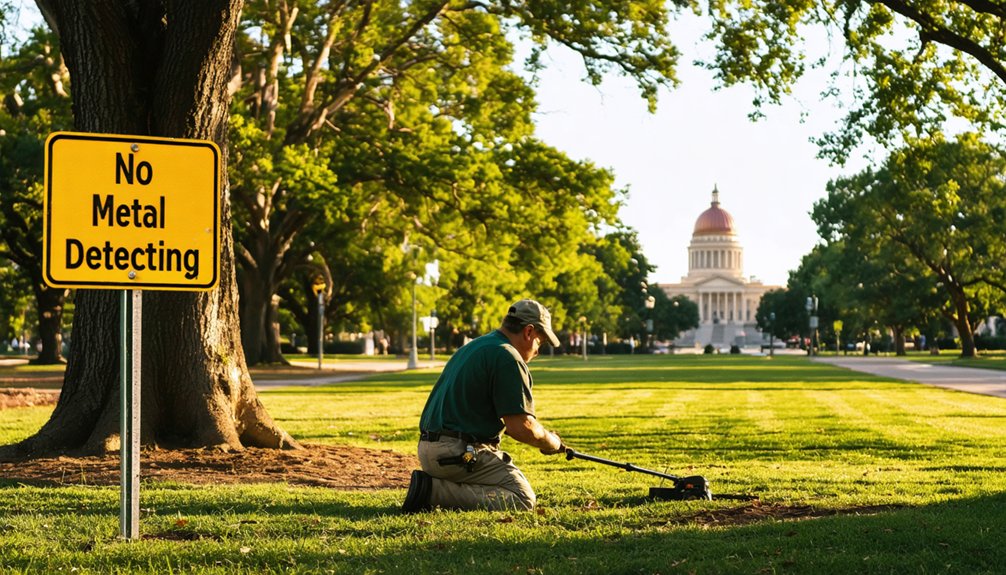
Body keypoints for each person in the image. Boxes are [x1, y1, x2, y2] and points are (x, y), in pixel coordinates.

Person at [402, 298, 566, 513]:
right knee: (522, 498)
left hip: (430, 449)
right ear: (528, 332)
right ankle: (431, 492)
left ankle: (438, 487)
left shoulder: (478, 345)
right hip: (456, 452)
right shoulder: (507, 356)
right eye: (540, 342)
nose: (537, 350)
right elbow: (521, 427)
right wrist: (551, 442)